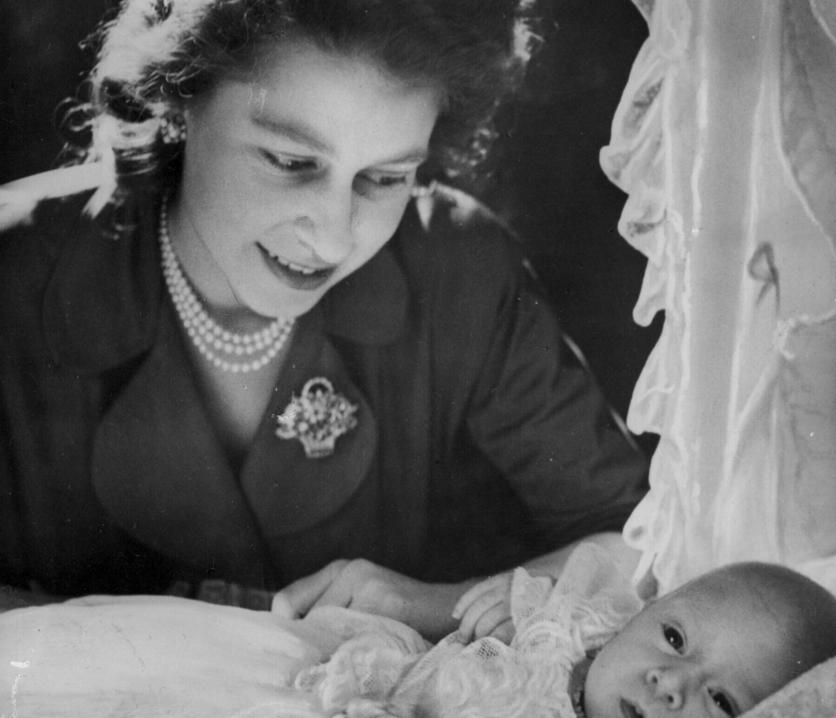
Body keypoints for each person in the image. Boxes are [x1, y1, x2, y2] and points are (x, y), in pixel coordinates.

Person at [0, 0, 649, 639]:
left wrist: (440, 605)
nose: (335, 237)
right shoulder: (15, 270)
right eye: (290, 162)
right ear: (182, 99)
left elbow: (648, 543)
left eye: (386, 178)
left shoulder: (462, 272)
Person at [268, 543, 836, 718]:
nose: (669, 681)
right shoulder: (571, 627)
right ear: (640, 614)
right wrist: (503, 608)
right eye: (674, 639)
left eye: (723, 700)